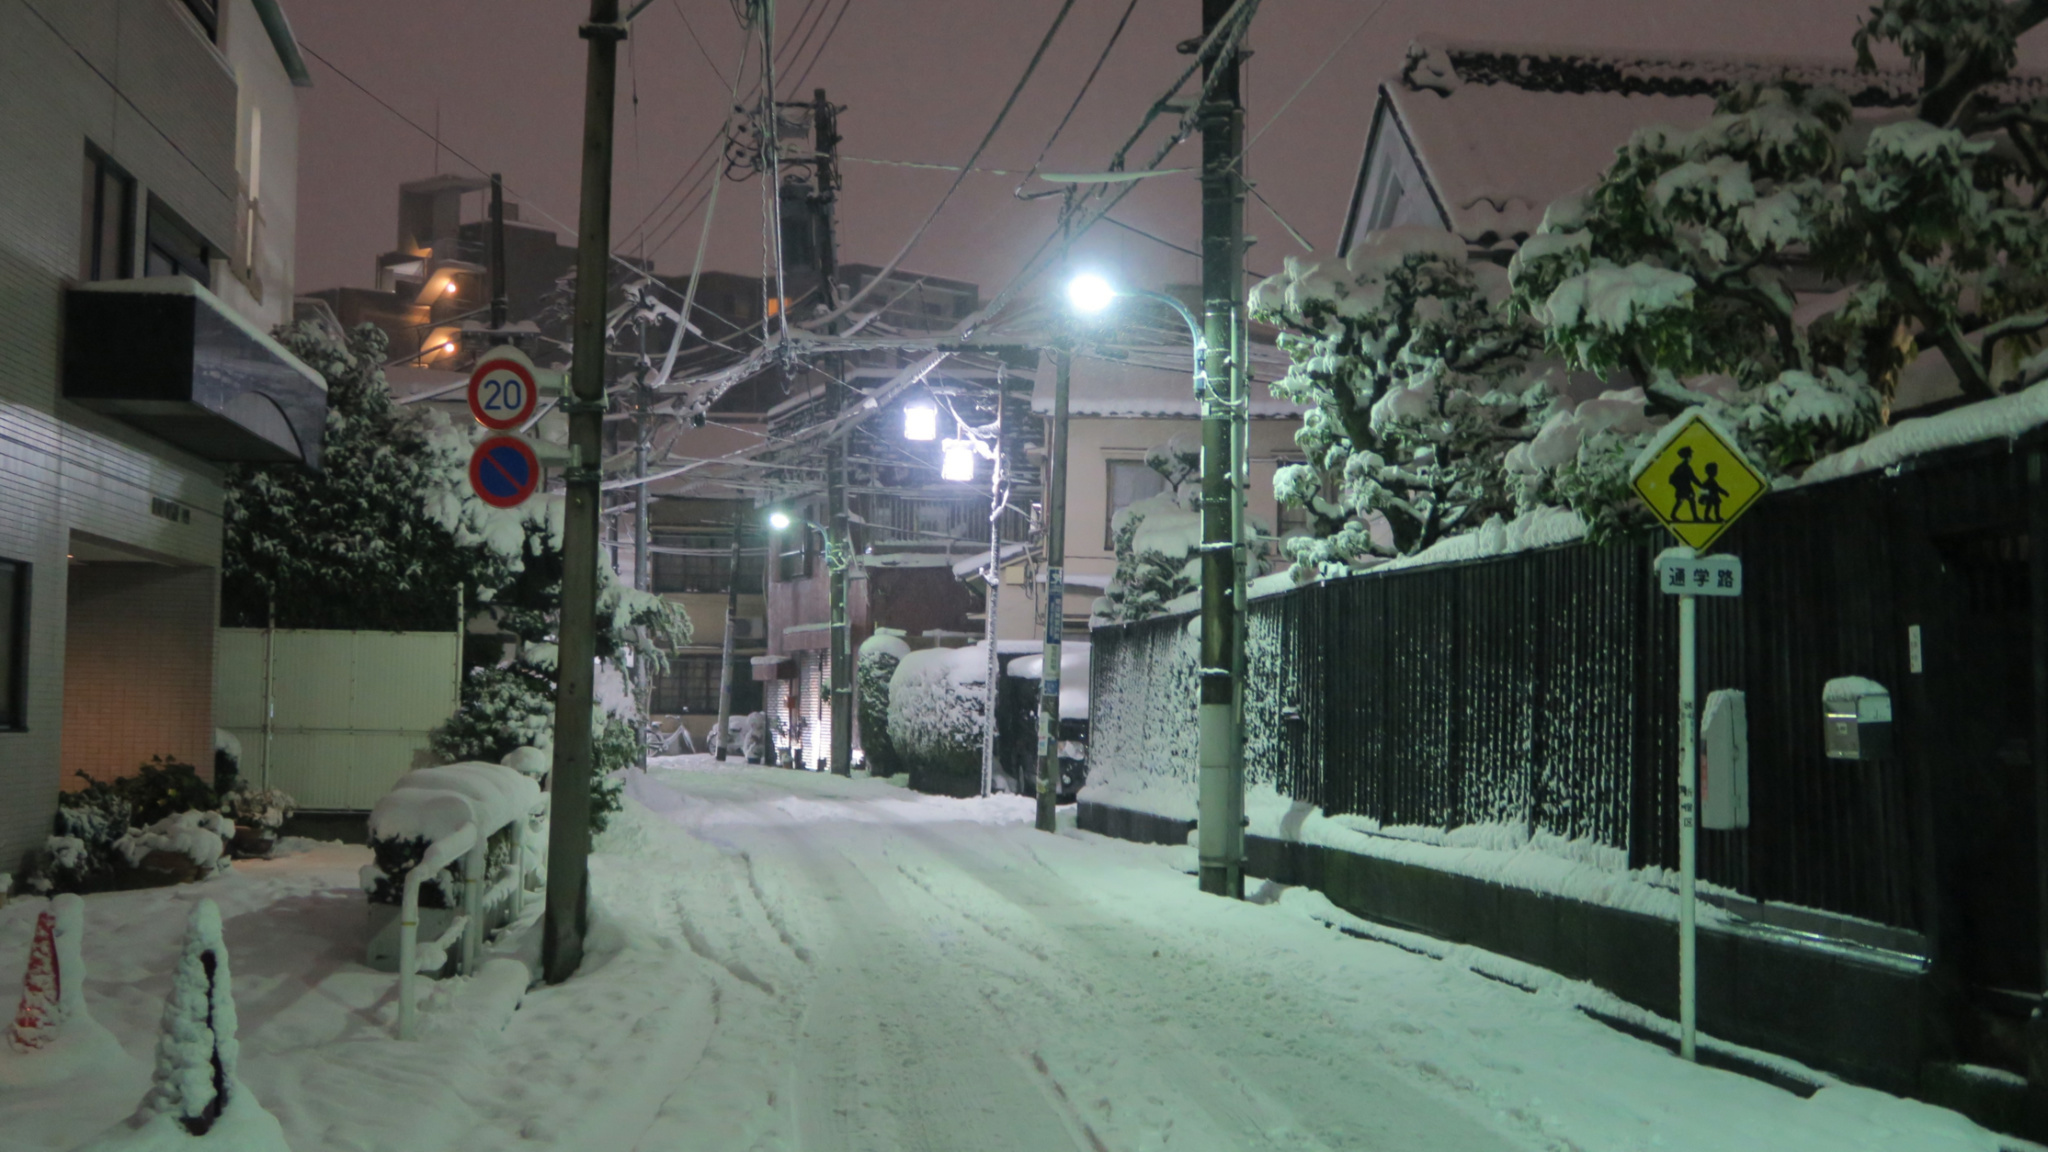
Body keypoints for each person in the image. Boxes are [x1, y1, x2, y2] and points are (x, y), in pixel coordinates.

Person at [1667, 446, 1701, 522]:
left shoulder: (1680, 467)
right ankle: (1695, 517)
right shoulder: (1685, 467)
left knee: (1682, 501)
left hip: (1682, 488)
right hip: (1684, 488)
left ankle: (1674, 515)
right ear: (1688, 456)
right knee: (1688, 501)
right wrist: (1701, 485)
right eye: (1690, 455)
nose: (1691, 457)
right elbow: (1693, 478)